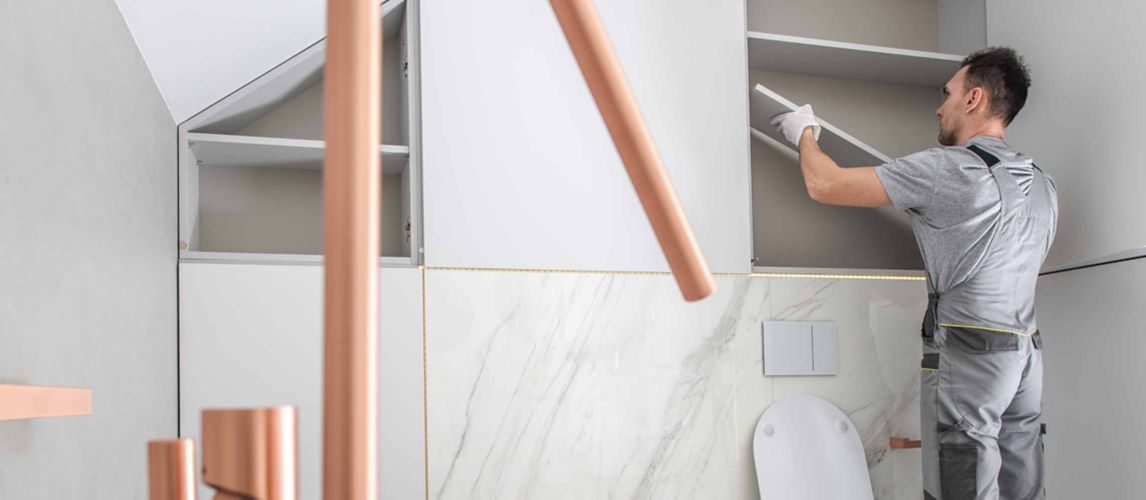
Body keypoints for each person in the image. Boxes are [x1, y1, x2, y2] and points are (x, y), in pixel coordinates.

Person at [771, 47, 1057, 499]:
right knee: (1022, 489)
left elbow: (824, 184)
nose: (940, 107)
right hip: (1025, 356)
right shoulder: (1042, 183)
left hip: (970, 354)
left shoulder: (947, 169)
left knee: (959, 482)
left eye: (948, 94)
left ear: (973, 99)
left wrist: (804, 132)